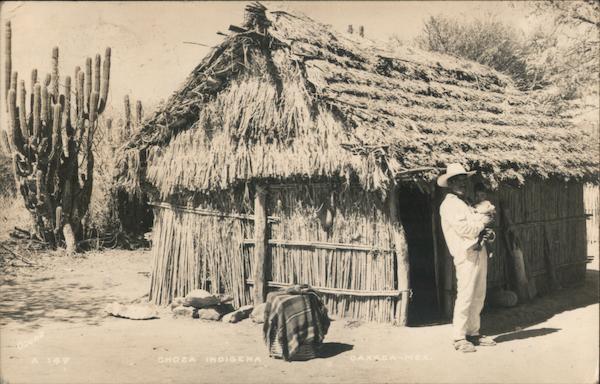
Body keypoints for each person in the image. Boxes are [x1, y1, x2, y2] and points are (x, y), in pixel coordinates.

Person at [437, 163, 497, 353]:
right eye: (457, 181)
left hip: (478, 250)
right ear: (450, 183)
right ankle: (459, 337)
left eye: (464, 180)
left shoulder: (465, 203)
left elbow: (479, 228)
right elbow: (466, 230)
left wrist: (486, 230)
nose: (462, 184)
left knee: (479, 294)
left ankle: (473, 332)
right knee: (465, 294)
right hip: (466, 254)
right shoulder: (449, 205)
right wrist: (483, 221)